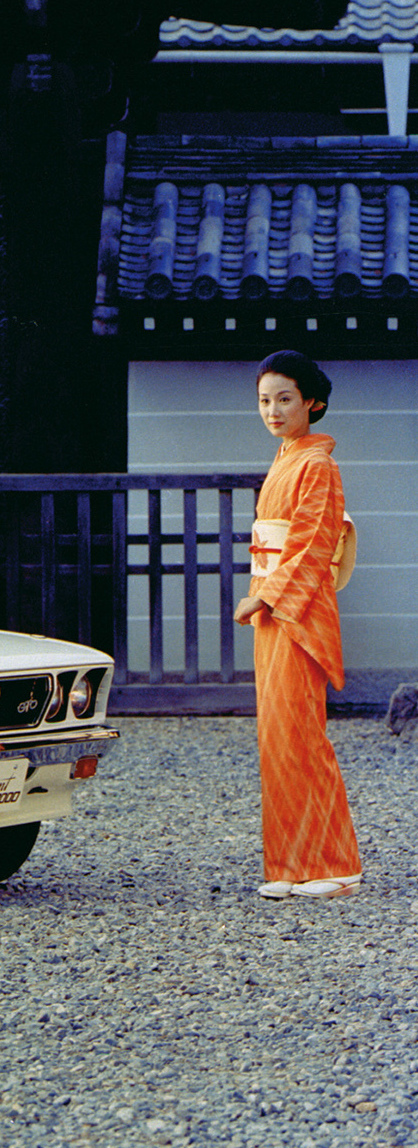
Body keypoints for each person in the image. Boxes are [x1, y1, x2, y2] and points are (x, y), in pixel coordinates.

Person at [233, 350, 361, 899]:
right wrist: (262, 595)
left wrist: (264, 596)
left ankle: (335, 862)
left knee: (302, 735)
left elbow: (313, 544)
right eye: (265, 400)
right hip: (273, 606)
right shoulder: (286, 457)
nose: (274, 410)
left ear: (313, 401)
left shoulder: (318, 465)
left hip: (295, 607)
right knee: (277, 736)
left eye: (285, 398)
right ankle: (289, 866)